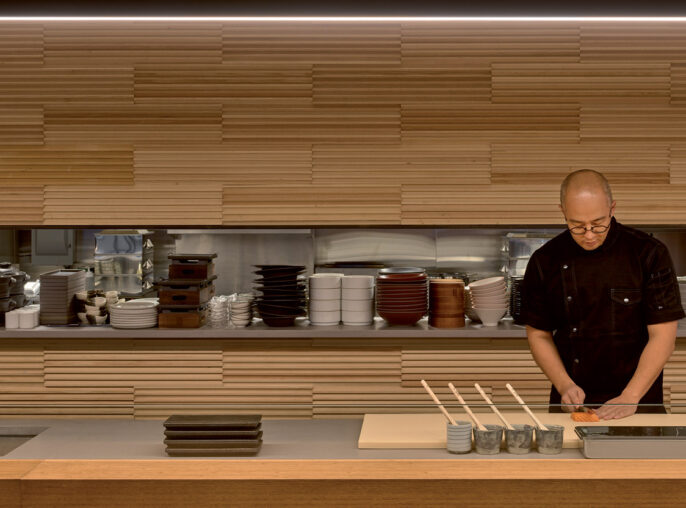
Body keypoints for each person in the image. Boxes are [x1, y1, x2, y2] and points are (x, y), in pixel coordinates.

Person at [522, 169, 685, 419]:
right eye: (577, 226)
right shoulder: (545, 260)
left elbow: (663, 336)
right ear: (563, 212)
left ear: (612, 208)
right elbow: (539, 333)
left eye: (598, 224)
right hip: (573, 402)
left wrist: (631, 397)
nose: (588, 235)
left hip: (639, 401)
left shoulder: (648, 253)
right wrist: (564, 385)